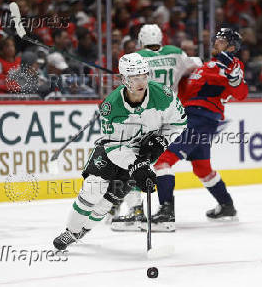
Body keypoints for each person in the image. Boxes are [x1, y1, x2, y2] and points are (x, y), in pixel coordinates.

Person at [52, 52, 186, 250]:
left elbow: (178, 123)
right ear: (124, 79)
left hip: (142, 153)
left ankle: (83, 230)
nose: (141, 82)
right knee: (92, 188)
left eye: (144, 76)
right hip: (112, 151)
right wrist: (135, 165)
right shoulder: (110, 106)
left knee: (108, 201)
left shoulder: (164, 96)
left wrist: (161, 141)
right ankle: (70, 232)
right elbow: (114, 145)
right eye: (134, 78)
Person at [150, 28, 248, 231]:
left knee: (162, 160)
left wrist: (235, 77)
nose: (215, 43)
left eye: (220, 41)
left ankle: (166, 212)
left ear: (231, 47)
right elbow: (181, 94)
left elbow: (240, 92)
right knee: (202, 167)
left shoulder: (229, 63)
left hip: (200, 120)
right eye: (216, 39)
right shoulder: (202, 67)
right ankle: (227, 206)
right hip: (194, 118)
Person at [111, 24, 202, 231]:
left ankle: (136, 212)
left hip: (146, 115)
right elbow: (196, 64)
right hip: (171, 113)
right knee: (161, 162)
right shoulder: (176, 53)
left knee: (131, 158)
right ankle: (166, 211)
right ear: (161, 38)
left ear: (140, 40)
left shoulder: (137, 56)